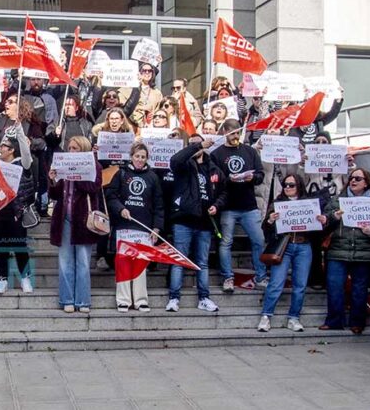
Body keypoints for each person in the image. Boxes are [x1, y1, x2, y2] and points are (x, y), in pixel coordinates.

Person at [257, 173, 328, 333]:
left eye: (291, 185)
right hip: (285, 246)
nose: (287, 188)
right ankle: (266, 315)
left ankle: (294, 317)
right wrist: (270, 220)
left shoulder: (308, 204)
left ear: (299, 186)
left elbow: (318, 229)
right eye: (285, 185)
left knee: (300, 285)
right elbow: (265, 228)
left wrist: (323, 220)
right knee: (276, 283)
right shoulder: (277, 203)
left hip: (304, 246)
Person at [321, 167, 370, 334]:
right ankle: (334, 320)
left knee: (360, 288)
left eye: (358, 178)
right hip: (338, 250)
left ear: (366, 183)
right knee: (334, 285)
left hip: (365, 253)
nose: (353, 181)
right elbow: (324, 221)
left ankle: (357, 322)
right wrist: (333, 218)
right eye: (351, 177)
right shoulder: (337, 200)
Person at [166, 134, 226, 313]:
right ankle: (174, 298)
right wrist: (196, 146)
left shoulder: (213, 167)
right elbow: (175, 159)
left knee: (202, 262)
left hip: (205, 222)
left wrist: (217, 205)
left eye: (199, 143)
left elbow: (224, 191)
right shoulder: (183, 165)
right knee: (179, 261)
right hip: (184, 219)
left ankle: (204, 297)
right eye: (192, 144)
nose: (197, 146)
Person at [106, 142, 164, 312]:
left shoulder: (153, 177)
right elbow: (110, 196)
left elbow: (159, 205)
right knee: (123, 263)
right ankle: (123, 299)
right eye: (137, 156)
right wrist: (120, 208)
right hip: (124, 227)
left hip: (143, 228)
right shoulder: (121, 173)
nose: (139, 160)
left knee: (140, 264)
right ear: (131, 156)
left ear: (147, 159)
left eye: (143, 157)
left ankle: (140, 300)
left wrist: (156, 228)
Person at [210, 119, 267, 293]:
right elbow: (215, 179)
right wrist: (229, 179)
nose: (235, 137)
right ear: (225, 133)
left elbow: (261, 174)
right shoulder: (216, 154)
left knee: (259, 240)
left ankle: (261, 276)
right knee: (226, 242)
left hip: (249, 205)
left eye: (237, 133)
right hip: (228, 206)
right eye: (232, 133)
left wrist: (253, 178)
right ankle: (228, 276)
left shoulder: (250, 151)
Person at [48, 136, 102, 313]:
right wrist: (54, 180)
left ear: (84, 149)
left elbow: (94, 188)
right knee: (65, 262)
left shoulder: (95, 166)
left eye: (75, 148)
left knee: (83, 262)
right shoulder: (62, 164)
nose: (71, 151)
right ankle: (67, 299)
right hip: (64, 219)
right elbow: (54, 195)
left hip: (83, 220)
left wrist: (77, 174)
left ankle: (83, 301)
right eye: (69, 148)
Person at [0, 127, 36, 294]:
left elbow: (26, 152)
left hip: (17, 212)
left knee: (19, 246)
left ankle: (25, 278)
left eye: (4, 146)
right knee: (1, 246)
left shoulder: (22, 164)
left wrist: (20, 133)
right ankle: (2, 279)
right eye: (1, 146)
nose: (0, 149)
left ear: (12, 150)